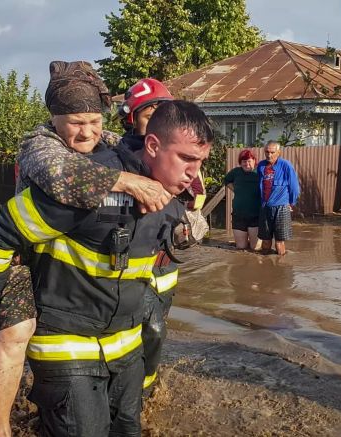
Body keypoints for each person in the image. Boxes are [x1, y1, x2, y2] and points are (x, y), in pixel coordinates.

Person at [0, 100, 214, 436]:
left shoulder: (171, 194)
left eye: (200, 162)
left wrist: (185, 232)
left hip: (125, 347)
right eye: (187, 159)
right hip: (67, 347)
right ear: (153, 145)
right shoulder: (89, 185)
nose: (194, 174)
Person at [117, 78, 206, 394]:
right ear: (132, 118)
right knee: (139, 328)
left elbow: (197, 196)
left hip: (164, 261)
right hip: (129, 261)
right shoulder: (119, 157)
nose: (155, 117)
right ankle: (129, 388)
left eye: (161, 111)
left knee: (155, 328)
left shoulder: (182, 156)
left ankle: (145, 384)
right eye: (147, 112)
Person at [257, 141, 300, 256]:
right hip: (265, 207)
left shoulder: (286, 165)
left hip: (281, 207)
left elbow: (294, 187)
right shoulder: (261, 166)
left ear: (278, 152)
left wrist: (291, 203)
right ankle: (264, 266)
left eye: (272, 152)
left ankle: (280, 267)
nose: (269, 155)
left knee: (279, 242)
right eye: (267, 152)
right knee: (265, 241)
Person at [225, 149, 261, 250]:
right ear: (240, 162)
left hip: (256, 215)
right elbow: (226, 180)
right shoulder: (235, 172)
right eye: (244, 161)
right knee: (241, 247)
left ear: (254, 160)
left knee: (256, 248)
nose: (246, 163)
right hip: (239, 215)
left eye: (249, 160)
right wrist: (236, 190)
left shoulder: (259, 172)